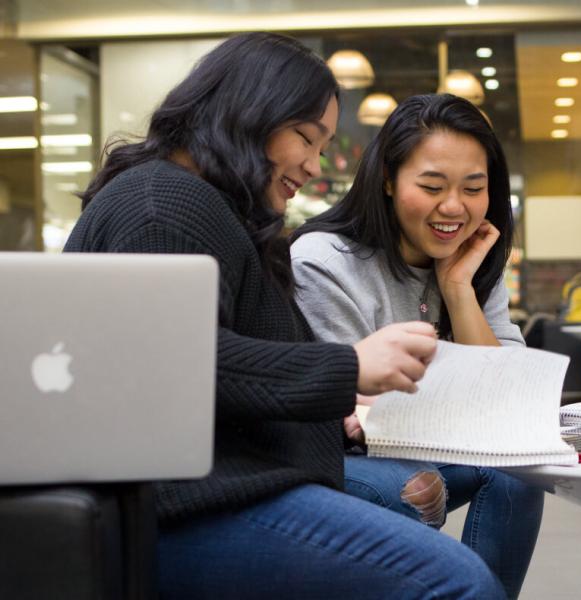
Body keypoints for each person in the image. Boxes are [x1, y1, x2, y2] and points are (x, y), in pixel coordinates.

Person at [63, 33, 506, 599]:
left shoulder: (199, 206)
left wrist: (346, 388)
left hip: (221, 488)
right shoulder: (164, 206)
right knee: (457, 581)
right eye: (305, 138)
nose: (313, 167)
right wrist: (347, 368)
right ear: (249, 113)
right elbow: (169, 365)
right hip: (187, 504)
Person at [290, 93, 544, 598]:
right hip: (341, 455)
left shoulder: (474, 260)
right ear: (387, 179)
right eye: (431, 186)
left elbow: (508, 401)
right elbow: (356, 414)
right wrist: (456, 395)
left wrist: (458, 290)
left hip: (430, 440)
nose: (454, 207)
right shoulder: (323, 261)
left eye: (474, 188)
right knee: (412, 488)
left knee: (521, 471)